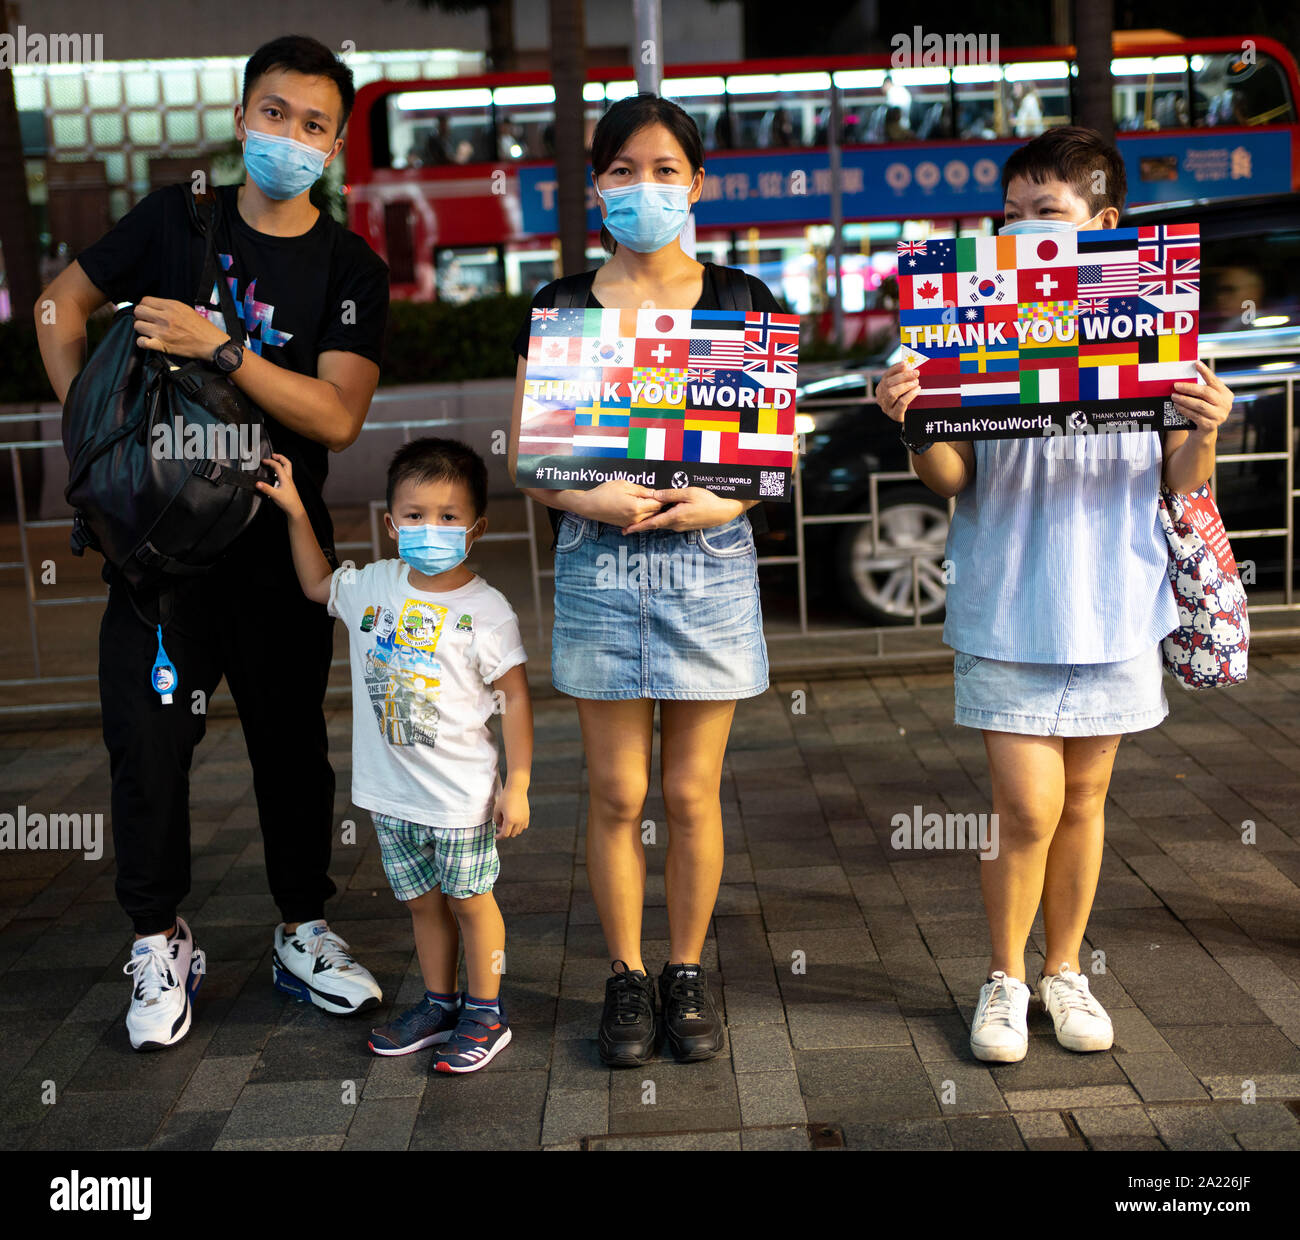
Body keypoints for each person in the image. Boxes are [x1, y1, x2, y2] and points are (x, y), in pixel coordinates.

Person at [34, 35, 391, 1051]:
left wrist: (220, 346)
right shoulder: (174, 224)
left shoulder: (350, 264)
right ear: (241, 120)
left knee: (291, 749)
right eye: (272, 113)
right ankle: (158, 939)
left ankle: (302, 928)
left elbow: (335, 416)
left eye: (313, 123)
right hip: (160, 554)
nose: (289, 136)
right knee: (146, 744)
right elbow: (61, 305)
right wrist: (102, 439)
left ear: (335, 143)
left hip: (278, 544)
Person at [875, 126, 1234, 1063]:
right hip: (1007, 601)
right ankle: (1004, 977)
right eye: (1011, 216)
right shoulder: (973, 323)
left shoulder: (1153, 323)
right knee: (1026, 808)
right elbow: (951, 478)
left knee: (1084, 801)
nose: (1024, 231)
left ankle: (1065, 970)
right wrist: (914, 423)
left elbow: (1177, 476)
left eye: (1047, 214)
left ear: (1104, 223)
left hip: (1117, 598)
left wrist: (1206, 424)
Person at [507, 92, 785, 1068]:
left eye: (665, 171)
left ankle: (685, 971)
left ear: (697, 184)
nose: (645, 189)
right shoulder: (561, 307)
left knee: (692, 792)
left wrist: (725, 501)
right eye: (623, 172)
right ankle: (624, 977)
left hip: (707, 565)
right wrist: (591, 497)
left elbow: (766, 458)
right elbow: (533, 462)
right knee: (620, 792)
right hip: (598, 563)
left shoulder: (744, 298)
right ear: (595, 188)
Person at [257, 438, 532, 1072]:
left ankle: (486, 1014)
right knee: (422, 905)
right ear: (391, 523)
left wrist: (516, 785)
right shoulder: (374, 586)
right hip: (390, 798)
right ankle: (440, 1003)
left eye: (447, 516)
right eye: (413, 515)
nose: (428, 528)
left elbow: (515, 700)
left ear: (476, 528)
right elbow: (315, 584)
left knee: (471, 903)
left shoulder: (487, 612)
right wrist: (298, 510)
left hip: (459, 800)